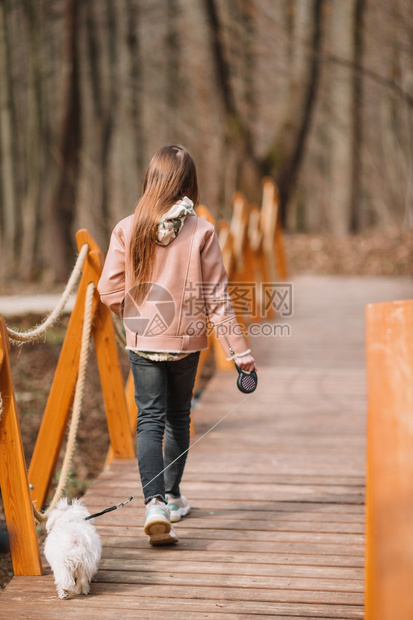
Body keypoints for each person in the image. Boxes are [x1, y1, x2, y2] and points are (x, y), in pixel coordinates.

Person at [98, 144, 256, 546]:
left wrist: (136, 316)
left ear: (152, 178)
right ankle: (171, 495)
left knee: (148, 419)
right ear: (189, 182)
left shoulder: (127, 227)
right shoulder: (201, 230)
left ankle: (153, 504)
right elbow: (218, 299)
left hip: (143, 339)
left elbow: (108, 289)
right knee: (178, 418)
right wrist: (241, 353)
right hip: (186, 343)